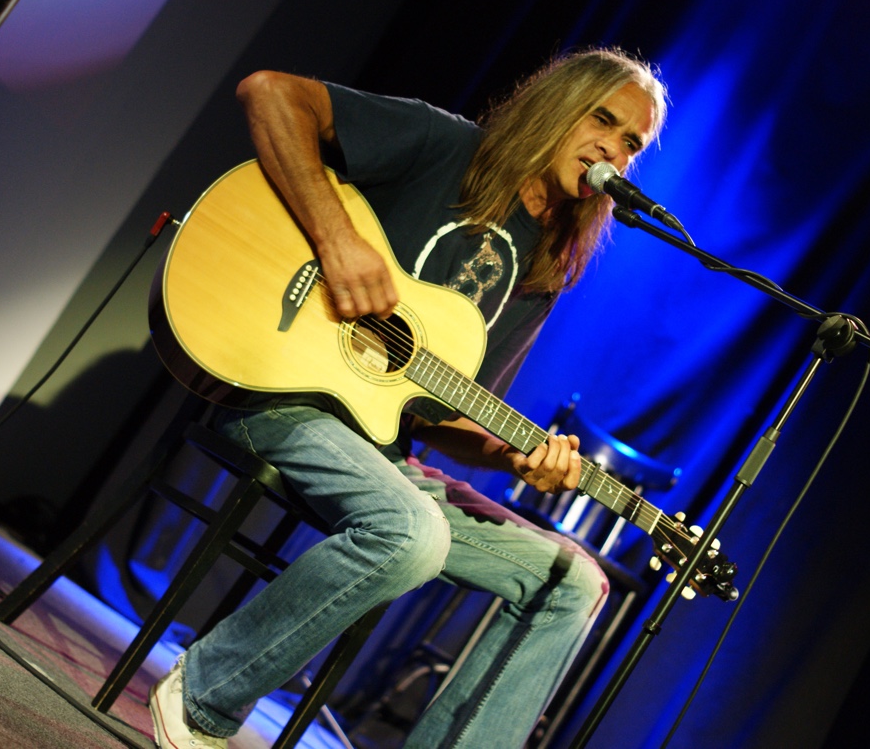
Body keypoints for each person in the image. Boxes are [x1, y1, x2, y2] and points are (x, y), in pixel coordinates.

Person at [148, 46, 667, 749]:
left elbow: (443, 417)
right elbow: (269, 93)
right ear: (559, 105)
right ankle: (205, 693)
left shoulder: (545, 267)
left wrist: (516, 459)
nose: (615, 148)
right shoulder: (444, 145)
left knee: (573, 581)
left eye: (632, 142)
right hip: (275, 395)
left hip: (382, 454)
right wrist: (337, 240)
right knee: (414, 533)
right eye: (602, 119)